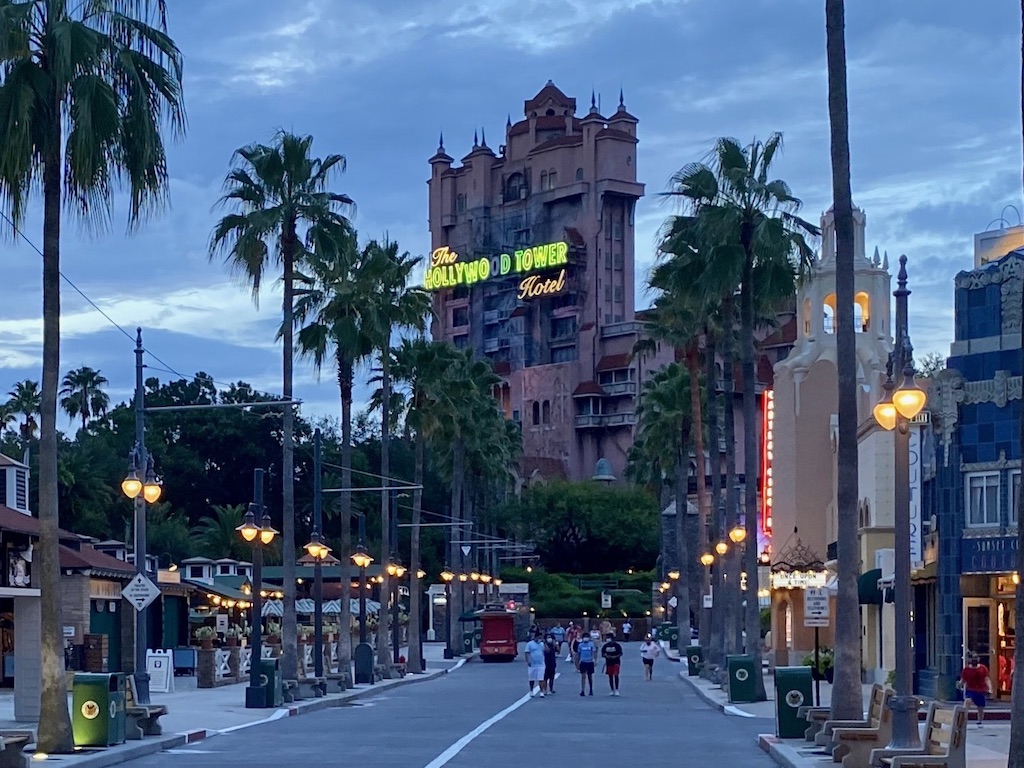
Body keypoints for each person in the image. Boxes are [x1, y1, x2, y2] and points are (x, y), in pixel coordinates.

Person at [960, 653, 991, 726]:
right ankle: (963, 719)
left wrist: (989, 688)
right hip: (970, 690)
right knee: (967, 702)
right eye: (972, 659)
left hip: (980, 690)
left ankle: (980, 720)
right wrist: (959, 685)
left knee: (980, 707)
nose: (974, 660)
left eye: (975, 659)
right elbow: (963, 680)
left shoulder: (983, 668)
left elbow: (986, 679)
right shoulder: (966, 670)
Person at [525, 631, 547, 698]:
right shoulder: (530, 644)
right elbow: (527, 653)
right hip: (532, 664)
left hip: (541, 664)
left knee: (541, 678)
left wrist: (544, 643)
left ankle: (541, 691)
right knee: (531, 678)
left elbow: (547, 650)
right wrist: (528, 661)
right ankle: (531, 690)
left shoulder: (542, 644)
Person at [577, 631, 597, 696]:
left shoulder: (591, 644)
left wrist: (594, 660)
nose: (586, 638)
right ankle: (582, 690)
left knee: (590, 676)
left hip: (590, 661)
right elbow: (579, 654)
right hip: (583, 662)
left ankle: (591, 689)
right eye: (584, 637)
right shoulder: (580, 645)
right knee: (583, 676)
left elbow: (594, 652)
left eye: (587, 637)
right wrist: (578, 663)